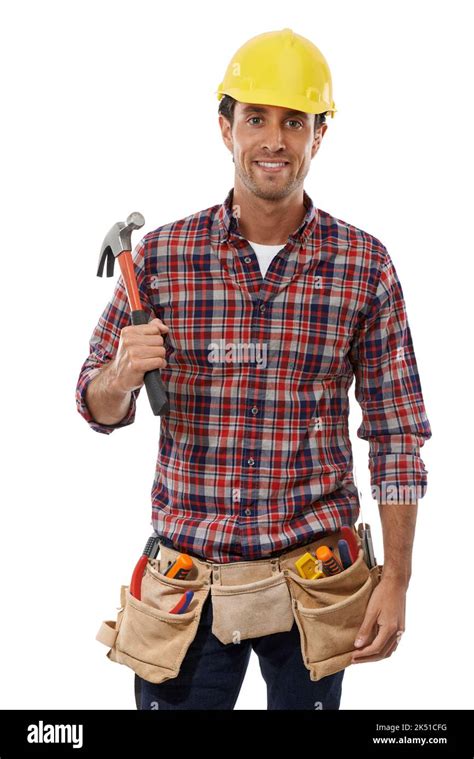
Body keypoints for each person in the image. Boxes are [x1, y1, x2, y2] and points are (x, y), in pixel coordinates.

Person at [76, 28, 432, 710]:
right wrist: (119, 376)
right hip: (187, 587)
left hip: (315, 584)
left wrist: (399, 579)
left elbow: (397, 434)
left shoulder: (364, 266)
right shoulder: (159, 259)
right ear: (225, 126)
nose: (274, 140)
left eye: (294, 122)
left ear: (319, 135)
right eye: (257, 118)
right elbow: (95, 404)